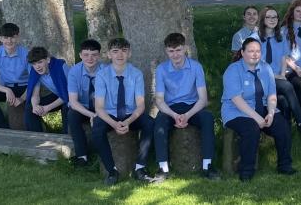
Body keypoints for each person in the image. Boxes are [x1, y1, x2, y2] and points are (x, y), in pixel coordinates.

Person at [222, 37, 295, 181]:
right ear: (242, 52)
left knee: (282, 125)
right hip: (237, 111)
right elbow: (237, 99)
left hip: (262, 107)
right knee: (251, 129)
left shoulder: (266, 68)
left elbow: (272, 95)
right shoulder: (233, 70)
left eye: (258, 51)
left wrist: (271, 114)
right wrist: (257, 118)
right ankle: (246, 171)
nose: (255, 54)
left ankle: (285, 165)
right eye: (251, 51)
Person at [153, 33, 220, 180]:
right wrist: (174, 115)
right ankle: (163, 168)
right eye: (171, 51)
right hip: (171, 108)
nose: (175, 54)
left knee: (207, 118)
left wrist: (187, 116)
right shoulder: (161, 69)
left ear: (184, 48)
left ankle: (207, 166)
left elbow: (203, 99)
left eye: (178, 50)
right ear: (166, 51)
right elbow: (159, 100)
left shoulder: (196, 67)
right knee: (159, 122)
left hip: (192, 107)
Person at [92, 38, 156, 185]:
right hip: (110, 115)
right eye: (115, 51)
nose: (120, 55)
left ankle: (140, 167)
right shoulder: (102, 75)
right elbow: (99, 108)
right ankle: (111, 170)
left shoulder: (136, 74)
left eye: (124, 51)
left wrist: (128, 121)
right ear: (109, 54)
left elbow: (140, 105)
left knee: (150, 123)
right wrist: (114, 124)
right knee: (97, 129)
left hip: (130, 115)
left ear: (129, 53)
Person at [259, 6, 301, 139]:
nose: (272, 19)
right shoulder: (256, 38)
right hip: (262, 78)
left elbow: (284, 58)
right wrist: (277, 76)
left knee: (284, 100)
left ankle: (287, 132)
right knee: (288, 86)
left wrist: (283, 74)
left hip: (279, 77)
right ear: (263, 19)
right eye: (268, 17)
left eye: (275, 17)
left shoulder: (280, 38)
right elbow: (255, 64)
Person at [0, 23, 29, 128]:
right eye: (5, 37)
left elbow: (34, 81)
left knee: (31, 106)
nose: (9, 41)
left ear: (18, 37)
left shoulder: (26, 53)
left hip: (24, 87)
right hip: (6, 88)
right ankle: (3, 127)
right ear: (0, 38)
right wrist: (7, 90)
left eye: (12, 37)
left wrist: (22, 98)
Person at [67, 39, 104, 167]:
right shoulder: (74, 72)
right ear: (80, 55)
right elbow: (73, 101)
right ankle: (82, 156)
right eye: (86, 55)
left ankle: (102, 155)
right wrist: (92, 115)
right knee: (72, 115)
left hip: (102, 107)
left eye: (94, 55)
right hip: (83, 108)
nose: (90, 58)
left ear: (99, 56)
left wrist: (99, 113)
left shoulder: (106, 71)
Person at [24, 46, 70, 133]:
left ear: (48, 60)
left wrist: (47, 108)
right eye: (34, 64)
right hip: (58, 95)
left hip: (72, 96)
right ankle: (36, 137)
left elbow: (68, 94)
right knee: (30, 107)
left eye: (40, 62)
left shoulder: (61, 67)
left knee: (67, 107)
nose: (37, 67)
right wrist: (35, 106)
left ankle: (66, 137)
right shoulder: (35, 71)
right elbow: (35, 94)